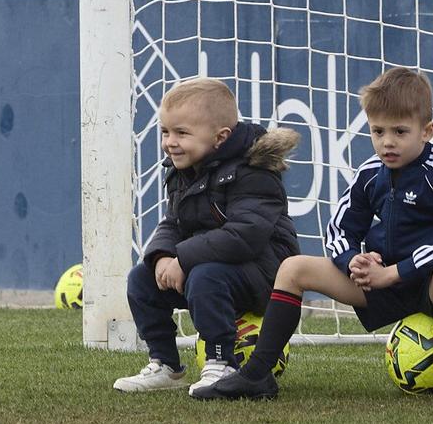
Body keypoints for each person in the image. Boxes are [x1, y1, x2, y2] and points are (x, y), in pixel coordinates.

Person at [201, 66, 433, 402]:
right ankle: (258, 374)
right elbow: (339, 229)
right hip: (380, 283)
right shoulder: (370, 173)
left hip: (429, 284)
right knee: (293, 268)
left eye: (400, 131)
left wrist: (394, 272)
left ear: (427, 131)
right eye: (378, 131)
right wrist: (353, 261)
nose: (387, 142)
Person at [114, 78, 300, 398]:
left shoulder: (254, 170)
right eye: (165, 132)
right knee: (142, 279)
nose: (170, 142)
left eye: (181, 133)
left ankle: (221, 363)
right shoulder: (183, 170)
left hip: (265, 275)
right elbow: (174, 222)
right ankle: (165, 364)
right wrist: (162, 256)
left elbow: (246, 235)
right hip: (212, 267)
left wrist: (184, 259)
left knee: (205, 276)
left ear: (220, 137)